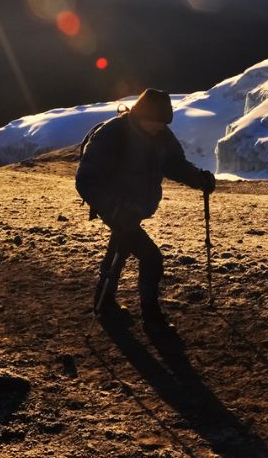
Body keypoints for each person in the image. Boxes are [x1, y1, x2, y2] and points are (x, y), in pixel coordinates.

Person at [75, 89, 216, 330]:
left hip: (135, 206)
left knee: (120, 247)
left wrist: (198, 178)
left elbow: (174, 163)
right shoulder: (112, 134)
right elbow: (86, 179)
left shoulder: (161, 134)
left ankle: (104, 303)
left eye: (163, 123)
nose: (159, 128)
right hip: (115, 207)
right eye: (155, 122)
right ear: (140, 114)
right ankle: (151, 316)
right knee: (151, 258)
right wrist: (115, 209)